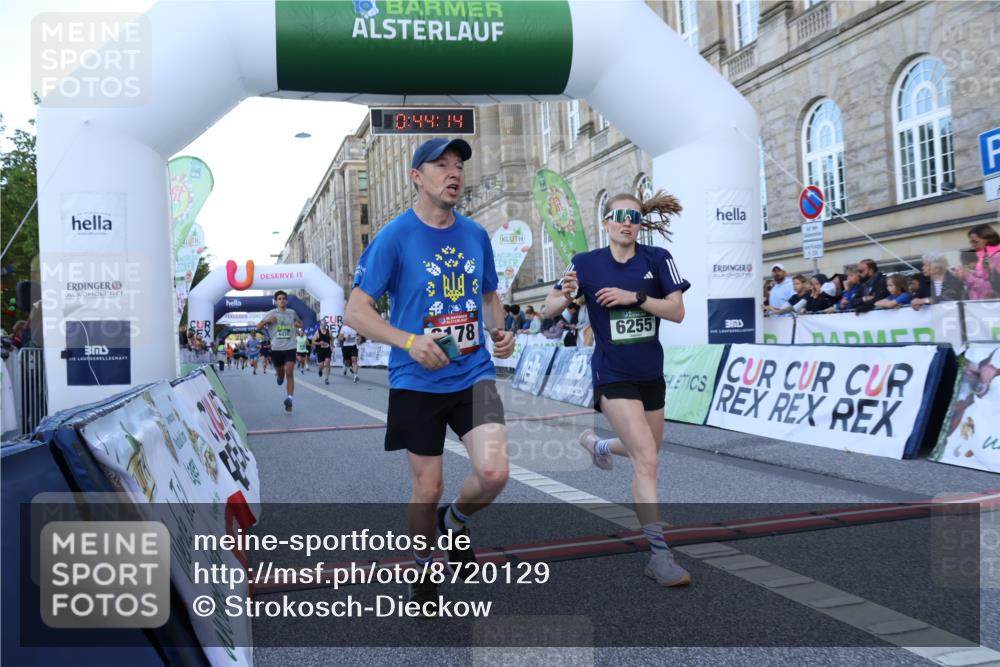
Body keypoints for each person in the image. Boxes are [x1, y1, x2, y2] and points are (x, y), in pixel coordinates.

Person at [344, 137, 515, 612]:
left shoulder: (476, 235)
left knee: (495, 471)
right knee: (427, 486)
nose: (454, 173)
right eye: (441, 165)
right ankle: (423, 568)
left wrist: (500, 332)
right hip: (416, 380)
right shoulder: (394, 238)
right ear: (417, 176)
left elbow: (488, 295)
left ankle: (456, 522)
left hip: (474, 371)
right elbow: (356, 313)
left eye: (458, 165)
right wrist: (409, 341)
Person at [543, 188, 691, 587]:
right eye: (620, 215)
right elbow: (547, 309)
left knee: (649, 449)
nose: (627, 221)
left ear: (640, 224)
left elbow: (676, 311)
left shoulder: (657, 260)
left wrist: (636, 297)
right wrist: (565, 293)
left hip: (650, 374)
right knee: (647, 459)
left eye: (635, 216)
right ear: (606, 222)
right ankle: (659, 557)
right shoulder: (586, 264)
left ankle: (599, 445)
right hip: (612, 375)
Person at [257, 290, 303, 412]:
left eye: (284, 298)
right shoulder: (271, 313)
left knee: (289, 372)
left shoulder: (292, 313)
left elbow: (300, 324)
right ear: (276, 301)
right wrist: (267, 321)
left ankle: (289, 399)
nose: (282, 300)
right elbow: (258, 327)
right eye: (279, 299)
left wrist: (298, 324)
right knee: (281, 373)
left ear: (286, 301)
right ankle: (279, 377)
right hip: (277, 348)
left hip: (290, 347)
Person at [968, 223, 1000, 297]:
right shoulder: (984, 256)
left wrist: (968, 276)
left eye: (975, 241)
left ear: (987, 238)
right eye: (971, 242)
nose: (972, 245)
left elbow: (993, 285)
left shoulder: (997, 256)